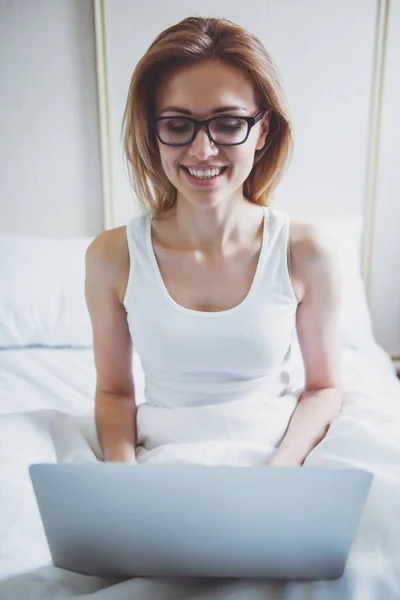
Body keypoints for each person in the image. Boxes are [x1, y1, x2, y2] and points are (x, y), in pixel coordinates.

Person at [85, 16, 342, 469]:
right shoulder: (113, 257)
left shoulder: (305, 251)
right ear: (153, 131)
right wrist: (124, 480)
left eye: (227, 123)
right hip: (159, 466)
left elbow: (323, 389)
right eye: (178, 125)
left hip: (274, 463)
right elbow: (114, 392)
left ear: (263, 131)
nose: (202, 151)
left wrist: (283, 469)